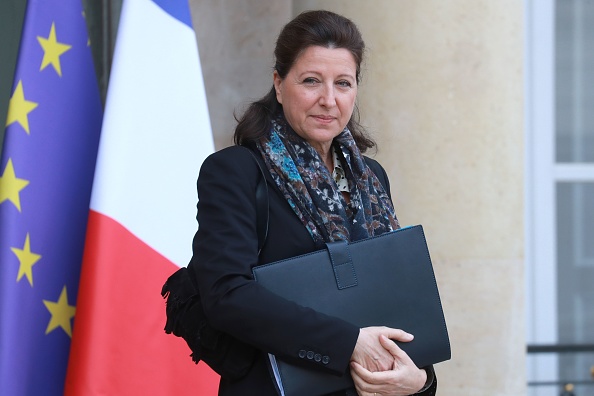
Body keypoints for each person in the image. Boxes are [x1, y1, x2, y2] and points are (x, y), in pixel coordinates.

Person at [189, 10, 437, 396]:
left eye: (343, 83)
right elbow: (226, 294)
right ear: (278, 83)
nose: (328, 100)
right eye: (310, 81)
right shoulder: (237, 171)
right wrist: (349, 344)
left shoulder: (370, 177)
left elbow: (394, 292)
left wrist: (420, 380)